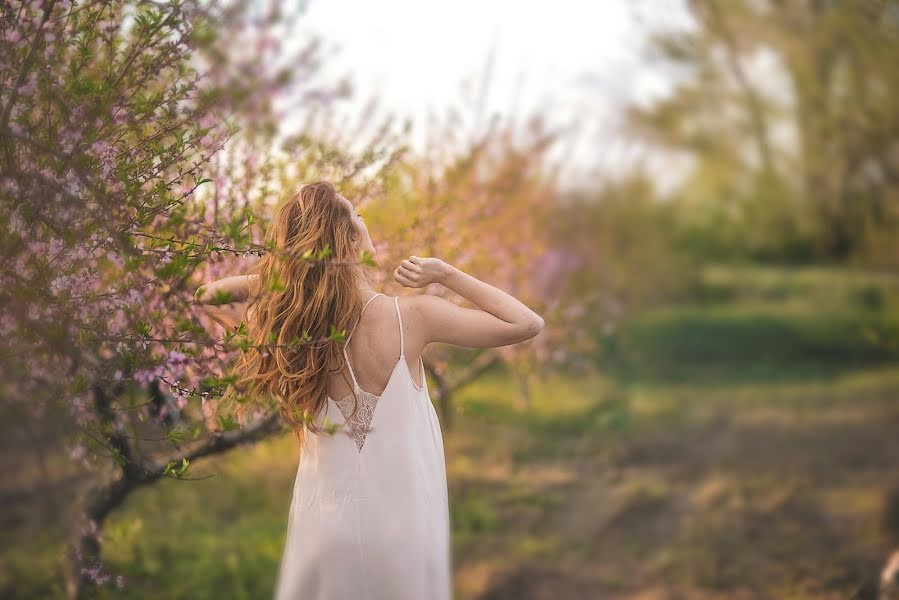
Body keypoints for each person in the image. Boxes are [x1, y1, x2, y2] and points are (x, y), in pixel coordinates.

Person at [194, 180, 544, 599]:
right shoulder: (411, 318)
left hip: (323, 530)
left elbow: (209, 295)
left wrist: (294, 274)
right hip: (401, 534)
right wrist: (446, 274)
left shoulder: (299, 338)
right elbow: (525, 324)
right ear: (349, 238)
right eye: (356, 213)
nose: (364, 219)